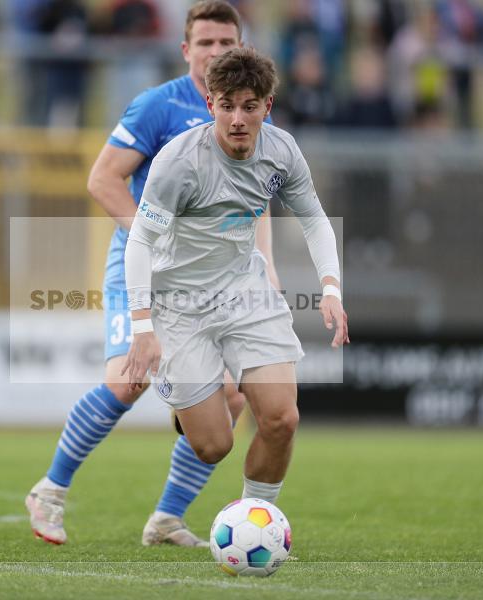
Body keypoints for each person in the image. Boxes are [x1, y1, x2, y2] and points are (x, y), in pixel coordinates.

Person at [26, 0, 279, 547]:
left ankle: (166, 519)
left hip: (214, 277)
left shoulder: (249, 112)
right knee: (128, 378)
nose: (217, 52)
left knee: (234, 395)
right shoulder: (157, 106)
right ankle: (50, 489)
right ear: (186, 50)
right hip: (144, 268)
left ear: (243, 48)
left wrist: (268, 272)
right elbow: (103, 180)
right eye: (206, 43)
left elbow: (255, 202)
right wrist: (154, 238)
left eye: (226, 43)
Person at [122, 47, 349, 507]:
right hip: (178, 304)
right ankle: (191, 412)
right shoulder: (178, 162)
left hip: (246, 292)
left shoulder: (282, 152)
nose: (238, 119)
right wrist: (143, 327)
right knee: (213, 447)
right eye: (226, 106)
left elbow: (315, 220)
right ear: (210, 105)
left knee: (282, 419)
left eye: (249, 106)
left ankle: (255, 519)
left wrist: (330, 287)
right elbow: (140, 242)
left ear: (268, 106)